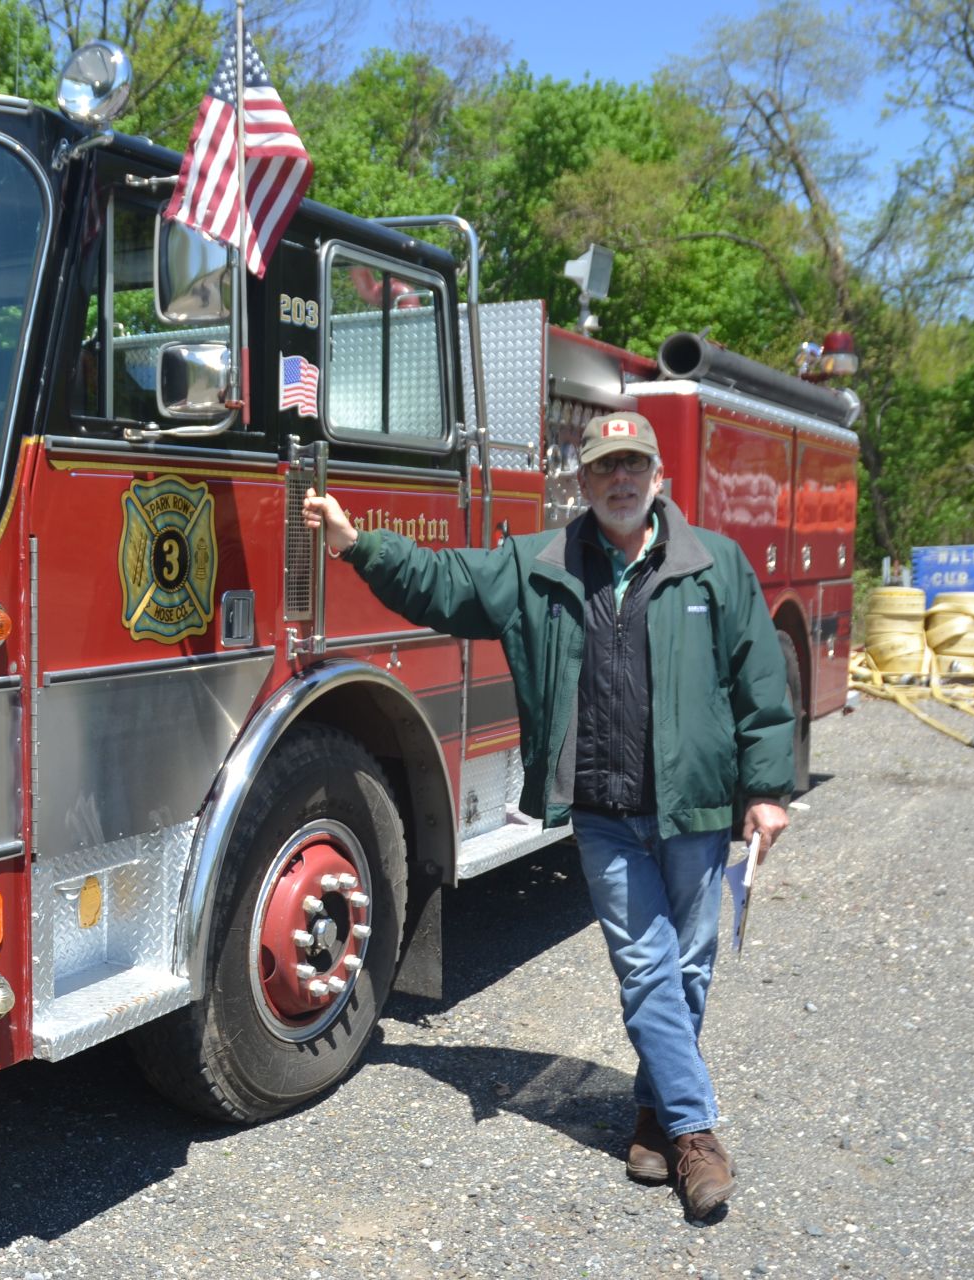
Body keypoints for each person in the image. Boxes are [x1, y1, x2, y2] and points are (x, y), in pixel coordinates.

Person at [303, 410, 792, 1220]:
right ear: (585, 482)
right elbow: (445, 584)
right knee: (647, 968)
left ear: (659, 478)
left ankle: (653, 1115)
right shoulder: (539, 565)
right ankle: (697, 1136)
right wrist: (361, 546)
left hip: (697, 808)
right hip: (602, 809)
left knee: (691, 967)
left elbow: (759, 684)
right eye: (606, 468)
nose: (621, 480)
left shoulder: (717, 567)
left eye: (635, 465)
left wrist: (766, 790)